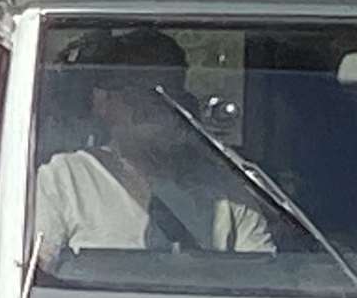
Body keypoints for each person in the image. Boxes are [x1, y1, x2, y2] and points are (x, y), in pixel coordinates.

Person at [33, 30, 274, 270]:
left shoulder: (225, 192)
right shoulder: (64, 178)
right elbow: (39, 273)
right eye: (133, 91)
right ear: (101, 102)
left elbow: (267, 279)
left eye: (165, 91)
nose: (151, 105)